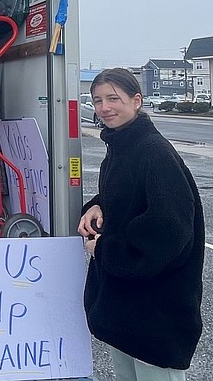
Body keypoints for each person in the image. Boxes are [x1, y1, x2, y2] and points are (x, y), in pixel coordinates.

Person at [78, 68, 204, 381]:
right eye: (97, 101)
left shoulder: (154, 152)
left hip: (156, 314)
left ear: (136, 101)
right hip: (129, 312)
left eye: (113, 98)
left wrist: (104, 249)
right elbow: (127, 195)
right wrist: (97, 205)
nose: (104, 107)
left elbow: (168, 229)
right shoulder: (122, 147)